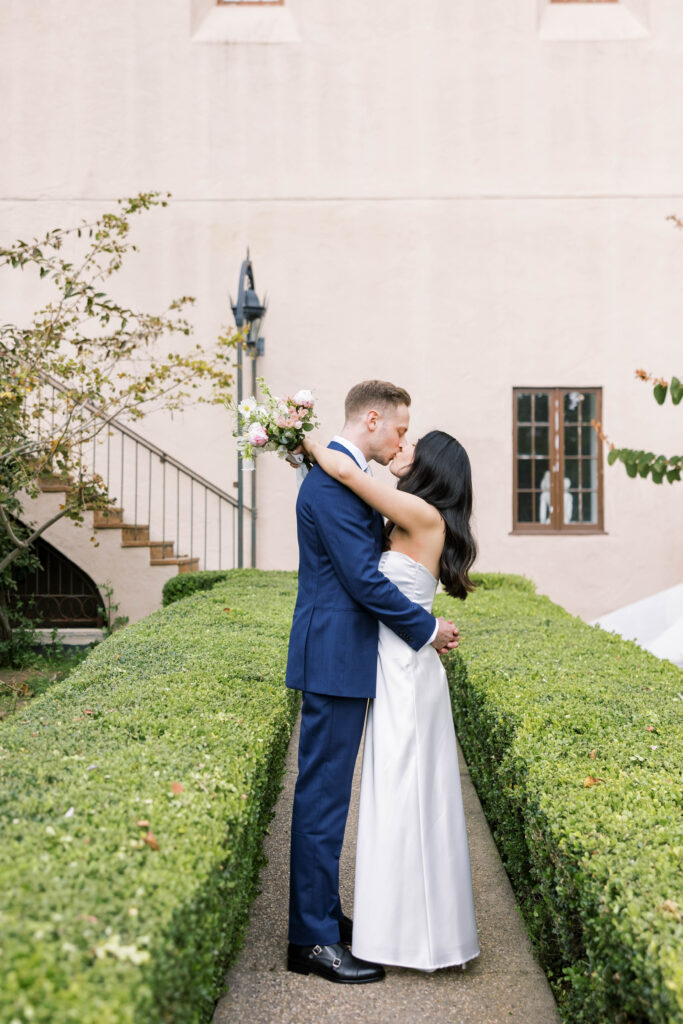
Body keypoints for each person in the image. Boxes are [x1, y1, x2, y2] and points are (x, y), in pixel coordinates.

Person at [285, 381, 461, 985]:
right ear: (374, 418)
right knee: (322, 800)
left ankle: (325, 920)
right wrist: (426, 628)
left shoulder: (342, 476)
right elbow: (363, 579)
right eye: (401, 429)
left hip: (345, 657)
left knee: (329, 798)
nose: (403, 441)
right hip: (335, 658)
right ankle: (311, 941)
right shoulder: (335, 484)